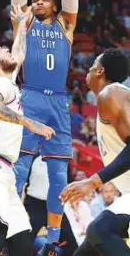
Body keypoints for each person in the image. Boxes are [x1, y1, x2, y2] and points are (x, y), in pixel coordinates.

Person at [11, 0, 79, 255]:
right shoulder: (23, 22)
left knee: (58, 177)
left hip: (59, 104)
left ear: (54, 5)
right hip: (30, 98)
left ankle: (53, 242)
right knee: (19, 169)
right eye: (34, 0)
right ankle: (9, 229)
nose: (36, 2)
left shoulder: (67, 24)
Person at [0, 7, 55, 256]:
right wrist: (28, 123)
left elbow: (18, 54)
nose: (7, 50)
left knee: (22, 242)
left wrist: (23, 26)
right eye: (0, 50)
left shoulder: (7, 82)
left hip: (4, 171)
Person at [60, 48, 130, 256]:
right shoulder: (111, 101)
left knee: (100, 230)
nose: (86, 74)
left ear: (100, 71)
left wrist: (92, 182)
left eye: (90, 69)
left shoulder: (111, 93)